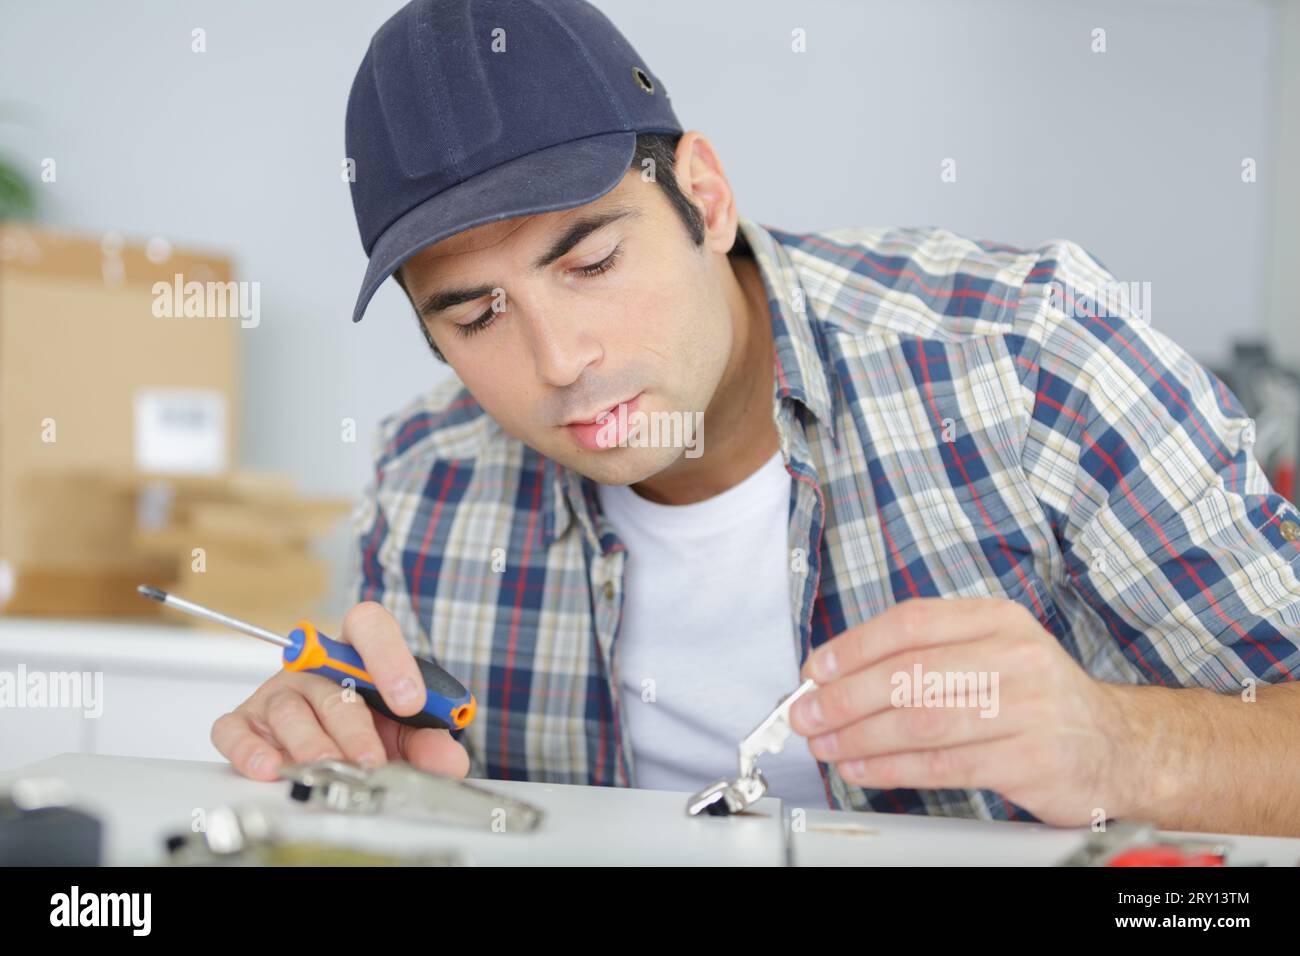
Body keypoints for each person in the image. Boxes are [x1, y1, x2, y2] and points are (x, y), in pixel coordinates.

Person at [212, 0, 1300, 834]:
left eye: (591, 261)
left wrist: (1123, 746)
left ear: (706, 194)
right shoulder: (426, 480)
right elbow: (406, 783)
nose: (560, 361)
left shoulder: (1029, 360)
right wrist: (344, 757)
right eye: (475, 315)